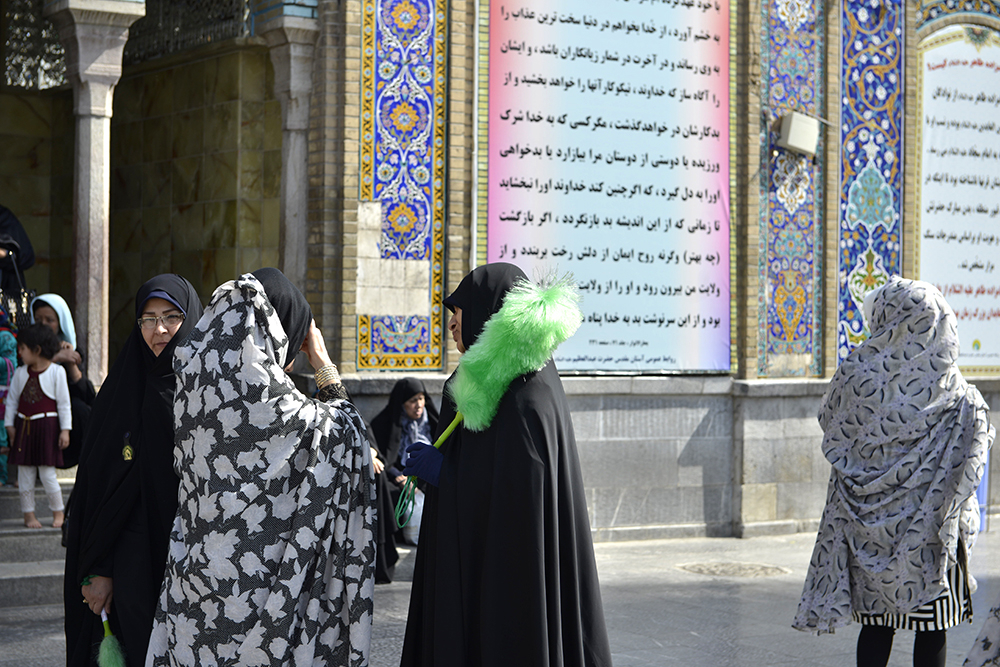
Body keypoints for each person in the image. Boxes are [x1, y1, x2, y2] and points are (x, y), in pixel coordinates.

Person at [146, 268, 376, 666]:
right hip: (265, 606)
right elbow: (350, 434)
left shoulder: (195, 391)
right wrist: (322, 362)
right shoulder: (281, 410)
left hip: (196, 595)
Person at [400, 263, 613, 667]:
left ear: (487, 313)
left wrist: (446, 473)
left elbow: (521, 496)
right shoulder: (489, 379)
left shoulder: (527, 392)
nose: (452, 324)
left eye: (458, 312)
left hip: (511, 580)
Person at [793, 276, 994, 667]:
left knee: (877, 627)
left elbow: (830, 422)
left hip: (869, 536)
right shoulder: (954, 388)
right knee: (932, 627)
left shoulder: (857, 372)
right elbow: (975, 446)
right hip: (931, 537)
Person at [63, 274, 203, 667]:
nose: (159, 330)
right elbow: (97, 491)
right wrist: (99, 569)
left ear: (192, 319)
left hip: (197, 568)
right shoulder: (121, 392)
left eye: (171, 316)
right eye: (148, 319)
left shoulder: (210, 395)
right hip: (133, 567)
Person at [369, 378, 440, 577]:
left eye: (421, 399)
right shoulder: (384, 423)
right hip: (398, 475)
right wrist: (400, 478)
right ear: (402, 404)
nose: (418, 405)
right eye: (412, 401)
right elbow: (385, 460)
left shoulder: (432, 422)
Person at [4, 323, 70, 528]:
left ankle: (58, 512)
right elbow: (12, 401)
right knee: (25, 474)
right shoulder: (20, 373)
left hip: (47, 428)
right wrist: (10, 426)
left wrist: (65, 430)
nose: (20, 353)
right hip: (24, 428)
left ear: (37, 350)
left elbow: (64, 404)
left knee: (48, 474)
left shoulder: (57, 372)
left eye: (23, 348)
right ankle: (28, 515)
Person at [31, 294, 96, 468]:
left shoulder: (69, 347)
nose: (43, 324)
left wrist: (70, 363)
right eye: (38, 319)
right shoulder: (26, 348)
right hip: (37, 412)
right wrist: (54, 358)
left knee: (82, 409)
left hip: (66, 426)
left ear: (60, 322)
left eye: (49, 320)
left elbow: (88, 396)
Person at [0, 328, 17, 485]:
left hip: (3, 409)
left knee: (3, 441)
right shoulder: (14, 361)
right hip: (10, 408)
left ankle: (3, 476)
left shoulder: (3, 362)